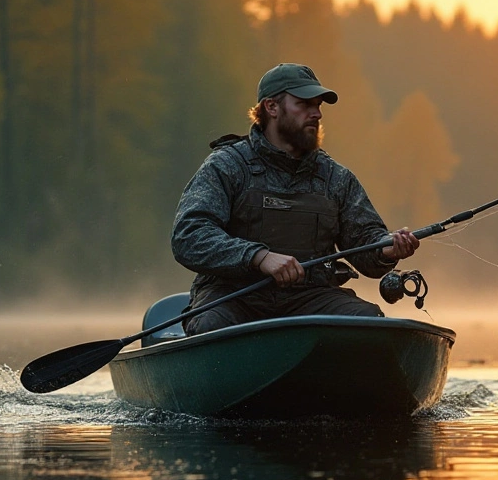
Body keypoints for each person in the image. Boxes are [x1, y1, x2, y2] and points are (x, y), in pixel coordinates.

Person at [172, 63, 419, 334]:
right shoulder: (227, 166)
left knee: (367, 319)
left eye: (318, 105)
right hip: (233, 297)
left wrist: (386, 249)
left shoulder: (336, 178)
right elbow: (189, 236)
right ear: (271, 107)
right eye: (304, 104)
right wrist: (258, 257)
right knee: (211, 325)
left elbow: (365, 243)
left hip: (311, 297)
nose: (317, 113)